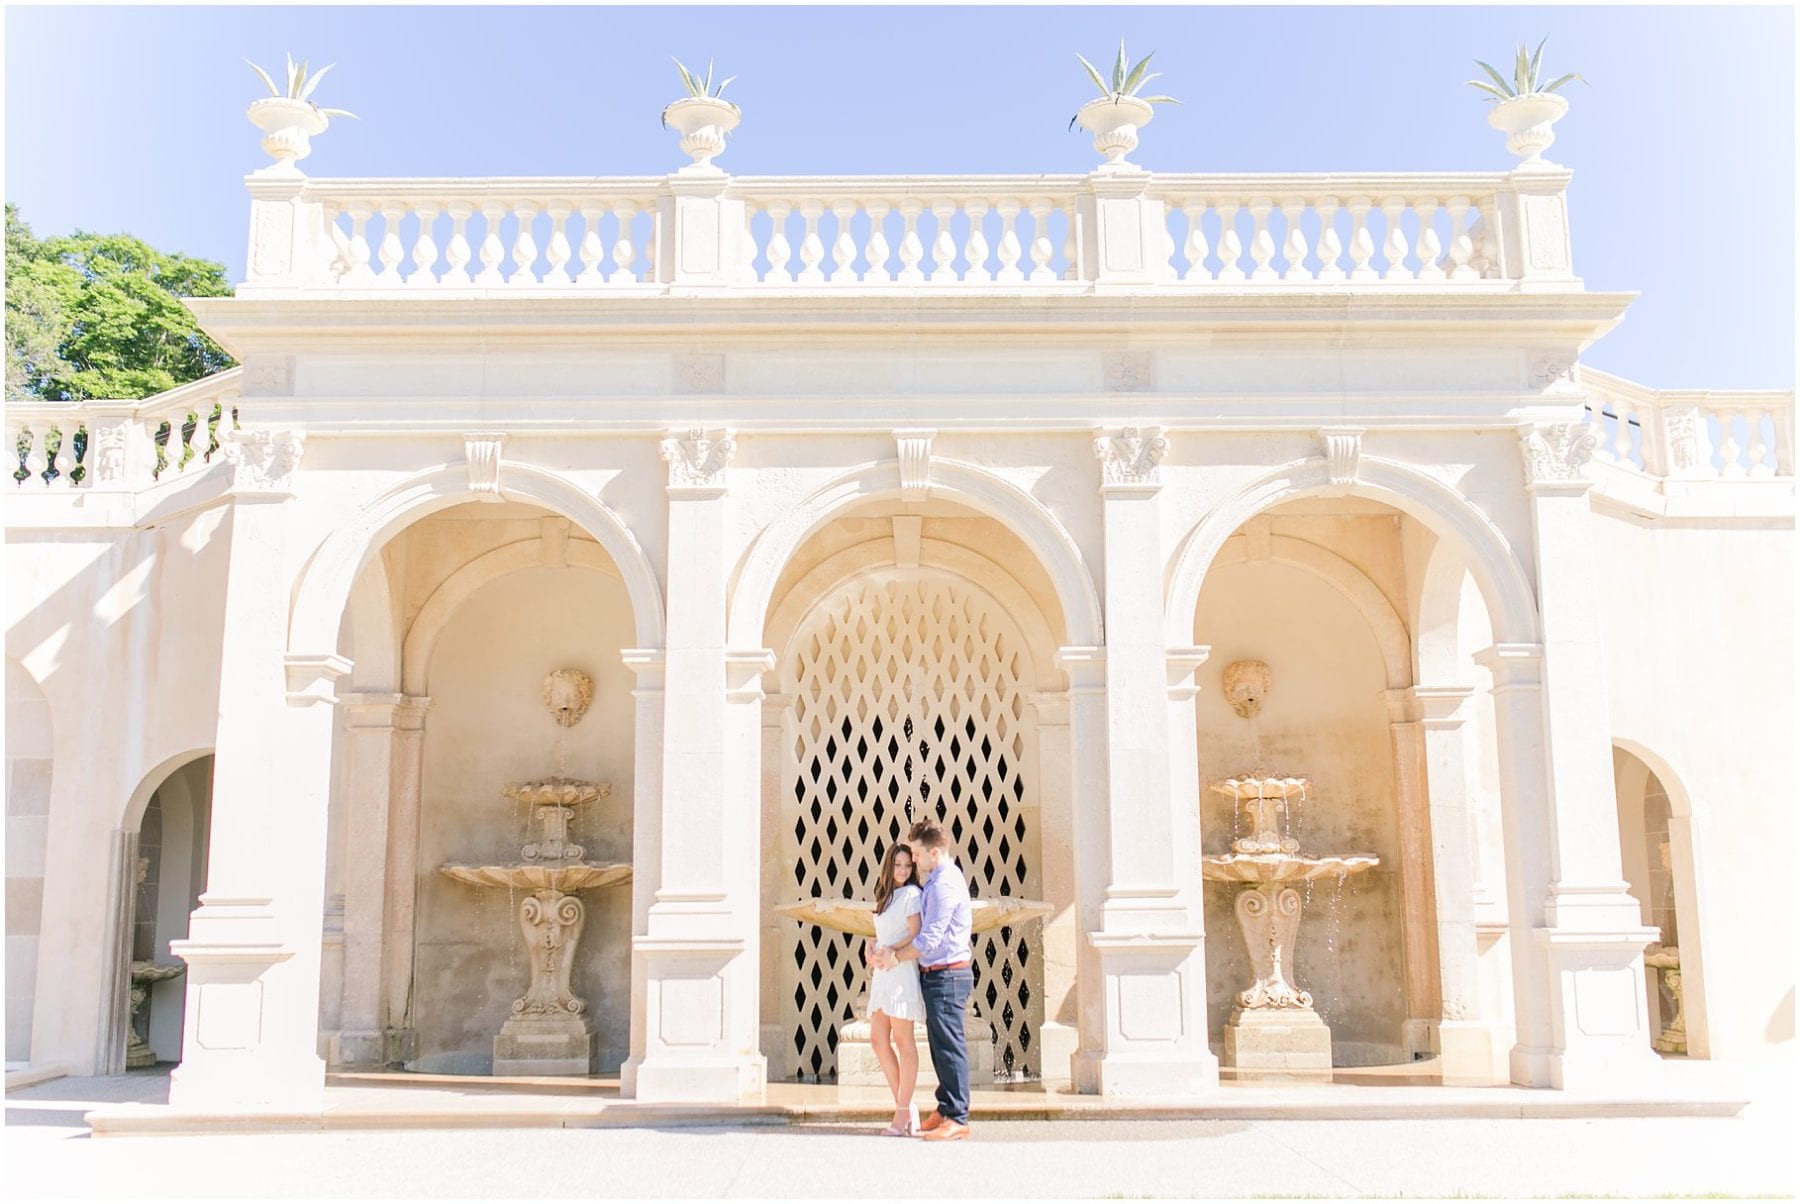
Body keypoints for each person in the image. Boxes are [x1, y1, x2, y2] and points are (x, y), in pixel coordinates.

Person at [869, 815, 973, 1141]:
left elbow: (928, 939)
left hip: (948, 974)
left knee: (950, 1046)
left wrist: (895, 956)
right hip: (935, 975)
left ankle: (957, 1117)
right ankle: (944, 1110)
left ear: (932, 852)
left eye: (914, 853)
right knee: (941, 1047)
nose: (912, 860)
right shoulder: (935, 882)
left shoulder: (942, 884)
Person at [865, 842, 925, 1136]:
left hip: (900, 971)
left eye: (908, 865)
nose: (903, 870)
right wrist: (873, 946)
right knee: (878, 1040)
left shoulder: (912, 894)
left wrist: (890, 951)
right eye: (898, 864)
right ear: (889, 865)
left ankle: (901, 1114)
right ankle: (907, 1106)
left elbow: (916, 935)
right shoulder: (885, 896)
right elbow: (885, 932)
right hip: (882, 974)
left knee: (904, 1042)